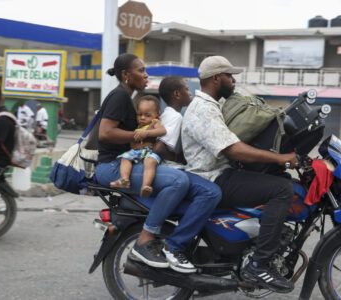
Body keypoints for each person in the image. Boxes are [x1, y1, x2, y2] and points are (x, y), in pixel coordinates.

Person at [181, 56, 297, 293]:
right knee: (282, 190)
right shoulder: (203, 109)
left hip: (221, 172)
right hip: (213, 177)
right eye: (229, 76)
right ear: (216, 78)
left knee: (281, 180)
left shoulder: (214, 105)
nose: (233, 81)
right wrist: (279, 158)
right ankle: (259, 264)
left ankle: (255, 245)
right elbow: (233, 149)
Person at [94, 53, 189, 269]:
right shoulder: (119, 96)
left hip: (120, 163)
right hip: (112, 166)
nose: (146, 75)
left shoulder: (127, 97)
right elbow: (106, 133)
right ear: (126, 75)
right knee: (178, 181)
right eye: (141, 71)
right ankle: (145, 240)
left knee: (181, 181)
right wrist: (139, 136)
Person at [153, 76, 222, 273]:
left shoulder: (169, 115)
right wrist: (180, 159)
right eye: (186, 89)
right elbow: (159, 148)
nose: (189, 93)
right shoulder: (175, 117)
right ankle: (175, 245)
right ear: (176, 94)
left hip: (169, 170)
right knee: (211, 193)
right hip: (172, 172)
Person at [110, 95, 167, 198]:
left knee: (149, 163)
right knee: (125, 158)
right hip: (137, 152)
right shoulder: (138, 126)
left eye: (147, 115)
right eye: (139, 114)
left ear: (157, 114)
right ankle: (125, 179)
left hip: (149, 151)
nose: (142, 118)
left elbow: (162, 131)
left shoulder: (155, 123)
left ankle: (146, 186)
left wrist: (147, 133)